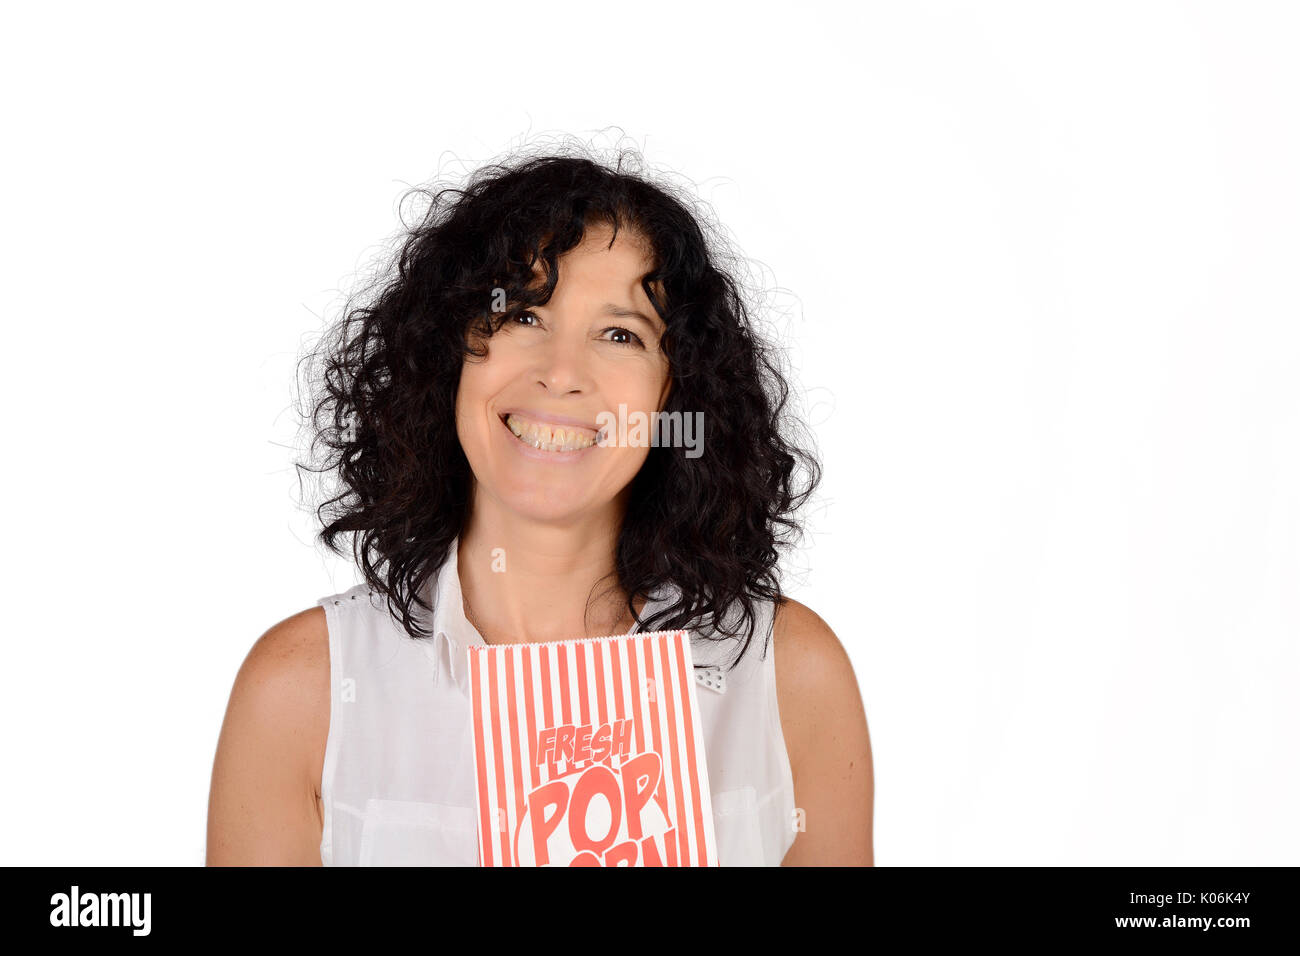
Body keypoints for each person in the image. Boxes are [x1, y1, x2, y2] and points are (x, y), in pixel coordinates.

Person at [205, 147, 874, 866]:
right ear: (448, 353)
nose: (561, 374)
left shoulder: (786, 676)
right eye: (524, 315)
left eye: (621, 334)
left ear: (675, 394)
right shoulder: (302, 692)